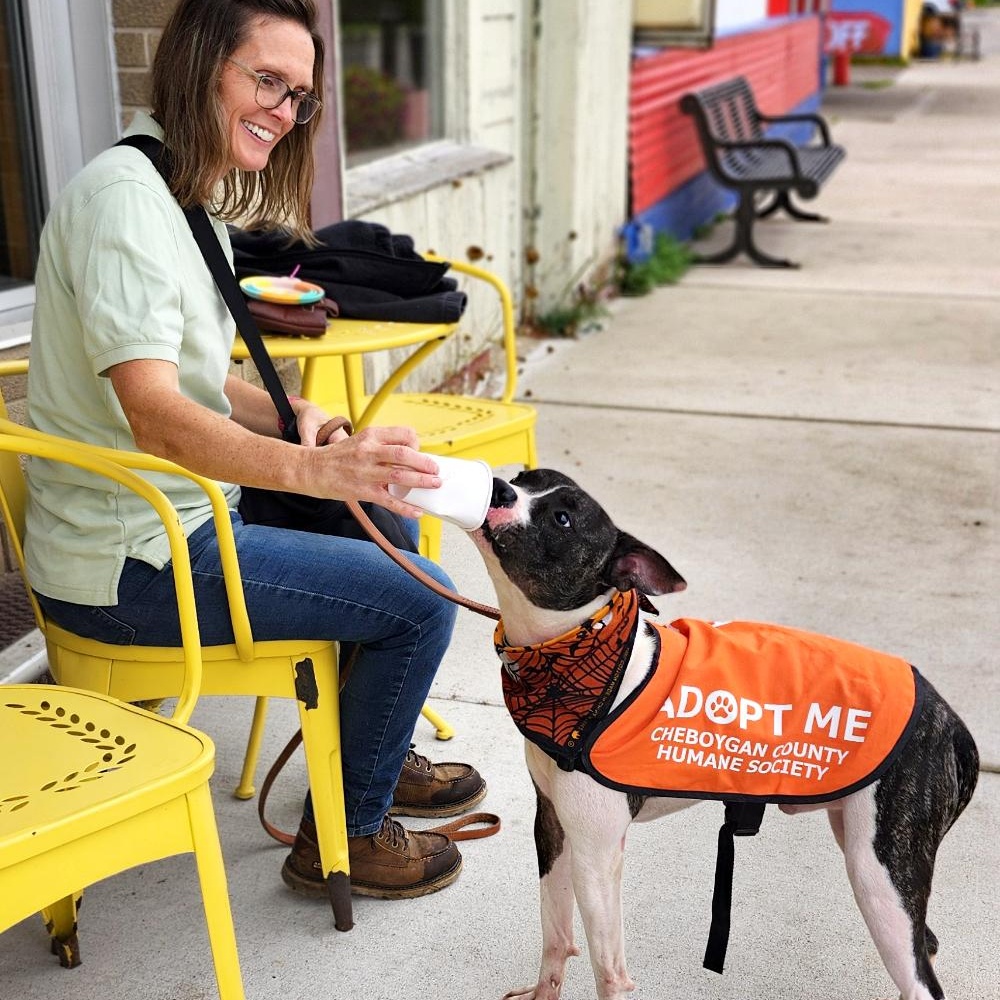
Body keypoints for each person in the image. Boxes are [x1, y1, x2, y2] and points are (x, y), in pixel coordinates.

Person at [24, 0, 485, 901]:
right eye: (265, 79)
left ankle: (371, 753)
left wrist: (296, 417)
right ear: (201, 67)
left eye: (298, 94)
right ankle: (342, 836)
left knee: (388, 522)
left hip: (173, 523)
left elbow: (188, 383)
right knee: (421, 603)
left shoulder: (175, 190)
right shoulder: (127, 206)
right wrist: (315, 471)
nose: (283, 110)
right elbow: (156, 415)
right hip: (130, 567)